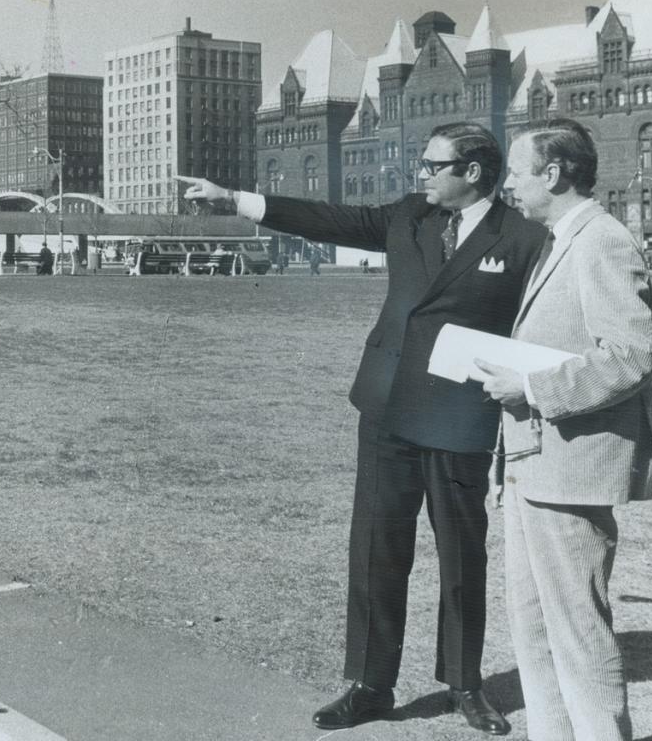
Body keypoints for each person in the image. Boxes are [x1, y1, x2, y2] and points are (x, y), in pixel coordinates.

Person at [180, 121, 547, 735]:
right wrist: (235, 199)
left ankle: (464, 684)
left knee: (462, 555)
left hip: (460, 417)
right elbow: (330, 220)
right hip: (386, 409)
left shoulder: (525, 237)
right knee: (377, 549)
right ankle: (371, 685)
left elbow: (539, 326)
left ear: (472, 173)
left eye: (433, 166)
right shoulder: (408, 216)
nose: (420, 174)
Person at [473, 118, 652, 741]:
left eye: (518, 176)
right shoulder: (557, 239)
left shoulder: (601, 239)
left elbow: (631, 355)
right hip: (533, 464)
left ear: (553, 175)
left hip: (570, 468)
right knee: (532, 627)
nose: (509, 190)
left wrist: (530, 388)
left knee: (577, 628)